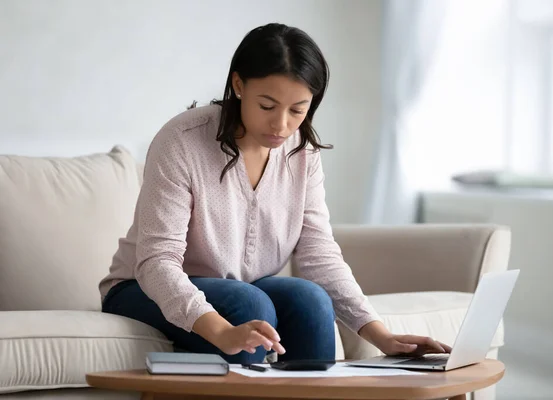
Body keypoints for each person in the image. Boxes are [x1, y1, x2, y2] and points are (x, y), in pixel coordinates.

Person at [99, 23, 451, 364]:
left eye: (298, 110)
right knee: (249, 305)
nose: (281, 125)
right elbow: (157, 262)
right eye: (267, 106)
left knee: (310, 299)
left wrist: (381, 336)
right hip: (142, 288)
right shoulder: (181, 141)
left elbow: (318, 254)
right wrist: (220, 331)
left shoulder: (302, 152)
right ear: (238, 85)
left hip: (242, 288)